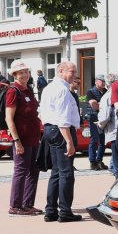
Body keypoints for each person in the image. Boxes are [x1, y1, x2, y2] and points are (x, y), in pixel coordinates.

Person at [38, 60, 82, 222]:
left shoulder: (49, 88)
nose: (74, 75)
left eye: (75, 72)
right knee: (66, 172)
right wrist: (69, 141)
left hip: (50, 129)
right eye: (72, 71)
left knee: (57, 171)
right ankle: (64, 211)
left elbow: (41, 112)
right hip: (60, 130)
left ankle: (51, 210)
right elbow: (63, 118)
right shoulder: (62, 90)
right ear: (61, 71)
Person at [4, 59, 42, 215]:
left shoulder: (28, 90)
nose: (24, 75)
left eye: (26, 72)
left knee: (33, 170)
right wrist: (16, 141)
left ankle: (27, 204)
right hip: (22, 139)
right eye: (20, 73)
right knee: (21, 171)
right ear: (14, 75)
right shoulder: (13, 91)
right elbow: (9, 118)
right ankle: (15, 206)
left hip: (33, 138)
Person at [84, 75, 108, 170]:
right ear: (96, 81)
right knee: (94, 140)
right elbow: (94, 106)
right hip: (94, 119)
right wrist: (104, 105)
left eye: (104, 81)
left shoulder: (106, 91)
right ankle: (92, 162)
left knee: (103, 141)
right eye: (101, 81)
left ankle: (99, 160)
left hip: (104, 119)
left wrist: (100, 104)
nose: (103, 83)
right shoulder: (91, 92)